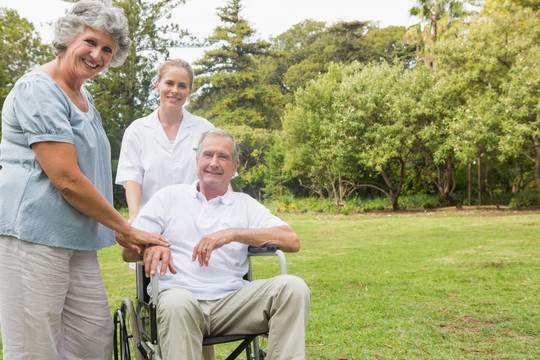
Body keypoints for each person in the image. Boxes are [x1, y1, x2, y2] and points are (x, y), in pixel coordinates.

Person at [0, 1, 170, 359]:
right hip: (33, 234)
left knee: (92, 338)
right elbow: (66, 179)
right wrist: (126, 228)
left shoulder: (83, 95)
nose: (97, 54)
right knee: (37, 344)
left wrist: (118, 228)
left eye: (107, 49)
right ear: (67, 39)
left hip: (77, 237)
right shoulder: (39, 89)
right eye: (90, 42)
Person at [122, 129, 311, 360]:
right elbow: (127, 250)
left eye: (223, 157)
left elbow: (291, 240)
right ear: (197, 161)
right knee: (177, 303)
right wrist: (149, 244)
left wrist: (233, 234)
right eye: (208, 155)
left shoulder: (245, 205)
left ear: (235, 166)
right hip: (180, 299)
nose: (214, 163)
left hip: (232, 304)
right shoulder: (169, 197)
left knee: (293, 287)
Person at [115, 58, 215, 223]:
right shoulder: (137, 130)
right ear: (157, 85)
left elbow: (221, 175)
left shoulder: (204, 129)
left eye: (182, 86)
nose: (175, 90)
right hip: (152, 220)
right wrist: (135, 214)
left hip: (197, 221)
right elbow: (132, 176)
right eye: (169, 83)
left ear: (189, 91)